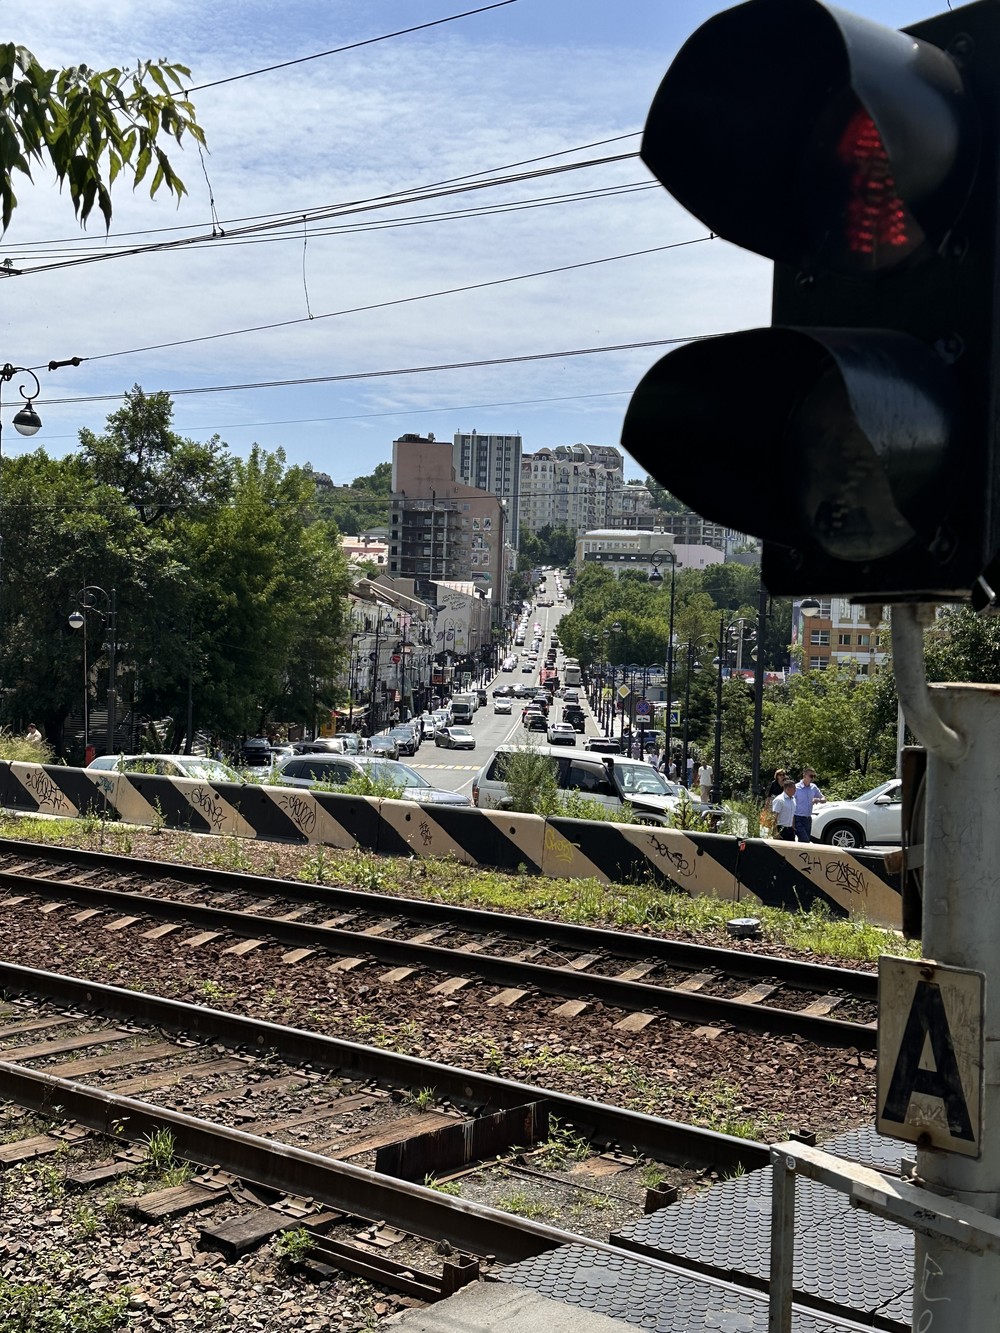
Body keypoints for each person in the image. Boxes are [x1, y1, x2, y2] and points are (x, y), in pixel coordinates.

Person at [793, 767, 826, 841]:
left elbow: (824, 799)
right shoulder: (796, 788)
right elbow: (791, 803)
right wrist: (792, 821)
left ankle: (801, 852)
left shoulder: (813, 787)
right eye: (811, 776)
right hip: (798, 817)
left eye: (814, 776)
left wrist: (819, 800)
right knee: (805, 840)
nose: (813, 778)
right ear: (804, 776)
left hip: (808, 818)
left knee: (805, 841)